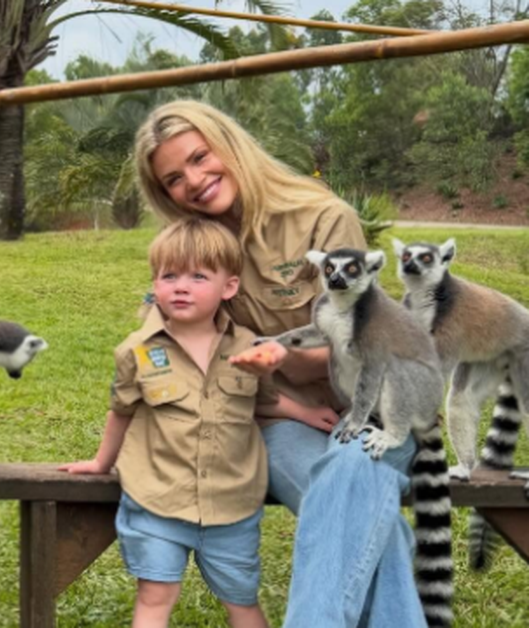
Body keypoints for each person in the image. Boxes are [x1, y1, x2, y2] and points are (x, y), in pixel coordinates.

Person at [132, 99, 426, 627]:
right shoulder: (199, 249)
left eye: (200, 157)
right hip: (277, 421)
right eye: (174, 178)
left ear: (228, 146)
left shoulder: (323, 218)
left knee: (354, 473)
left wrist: (279, 357)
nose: (194, 181)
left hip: (375, 410)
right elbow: (161, 346)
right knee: (364, 515)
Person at [61, 219, 335, 628]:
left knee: (241, 599)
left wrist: (306, 414)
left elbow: (263, 402)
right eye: (169, 276)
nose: (181, 286)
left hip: (232, 503)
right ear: (155, 284)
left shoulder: (247, 347)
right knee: (155, 596)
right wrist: (102, 464)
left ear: (229, 287)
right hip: (157, 499)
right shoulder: (136, 351)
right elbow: (121, 411)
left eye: (198, 276)